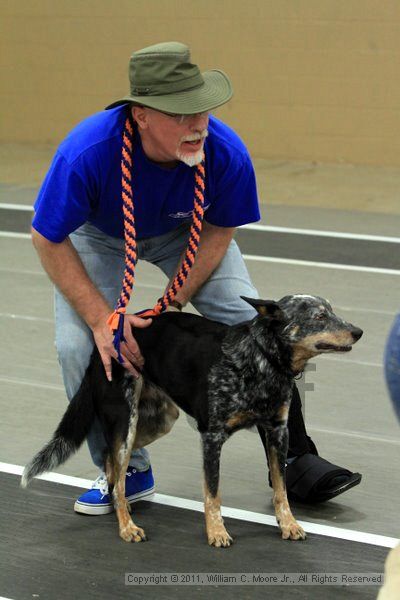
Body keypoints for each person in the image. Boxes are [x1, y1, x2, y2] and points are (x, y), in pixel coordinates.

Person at [31, 41, 361, 515]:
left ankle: (295, 457)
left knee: (256, 318)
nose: (198, 124)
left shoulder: (224, 153)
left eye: (202, 109)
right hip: (99, 234)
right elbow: (47, 238)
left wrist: (172, 302)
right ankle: (126, 468)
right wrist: (101, 319)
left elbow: (220, 227)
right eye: (181, 114)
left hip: (188, 230)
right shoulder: (87, 153)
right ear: (140, 115)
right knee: (78, 346)